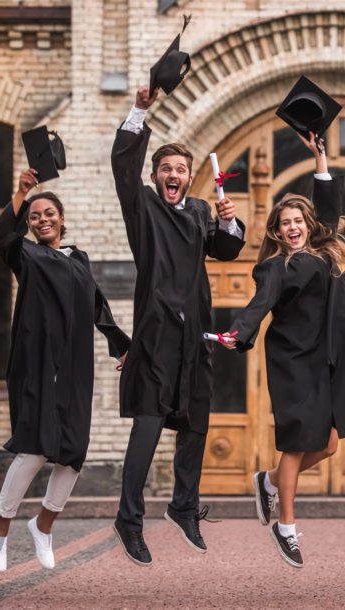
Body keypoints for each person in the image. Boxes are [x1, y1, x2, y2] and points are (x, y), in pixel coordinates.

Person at [111, 86, 246, 566]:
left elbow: (226, 250)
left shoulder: (199, 211)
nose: (173, 175)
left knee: (196, 426)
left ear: (190, 179)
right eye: (165, 169)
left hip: (195, 337)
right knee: (147, 429)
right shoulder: (143, 207)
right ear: (155, 176)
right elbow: (122, 165)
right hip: (155, 336)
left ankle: (183, 506)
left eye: (180, 170)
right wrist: (140, 110)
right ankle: (129, 520)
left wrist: (230, 223)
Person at [219, 132, 345, 569]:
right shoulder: (275, 266)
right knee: (297, 443)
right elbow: (259, 304)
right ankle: (287, 527)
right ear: (276, 232)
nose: (292, 227)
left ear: (308, 225)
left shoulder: (322, 253)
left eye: (298, 220)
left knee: (332, 444)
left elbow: (329, 206)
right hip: (294, 361)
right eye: (285, 223)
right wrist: (237, 333)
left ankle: (271, 482)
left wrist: (320, 159)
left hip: (328, 358)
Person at [0, 168, 131, 572]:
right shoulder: (26, 255)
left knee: (73, 450)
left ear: (62, 219)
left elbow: (98, 306)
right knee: (35, 446)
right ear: (29, 225)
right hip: (37, 362)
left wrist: (123, 346)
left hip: (74, 365)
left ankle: (43, 525)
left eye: (49, 213)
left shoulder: (78, 259)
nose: (42, 219)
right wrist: (22, 193)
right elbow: (1, 237)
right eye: (35, 216)